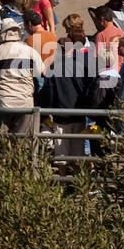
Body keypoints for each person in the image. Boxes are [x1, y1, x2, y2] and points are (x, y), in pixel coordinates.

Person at [0, 18, 43, 138]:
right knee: (21, 143)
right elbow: (40, 71)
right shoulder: (31, 52)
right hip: (25, 103)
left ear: (1, 33)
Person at [39, 14, 95, 162]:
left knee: (64, 153)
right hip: (81, 109)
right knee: (80, 152)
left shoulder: (71, 54)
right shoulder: (89, 46)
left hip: (66, 110)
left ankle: (66, 182)